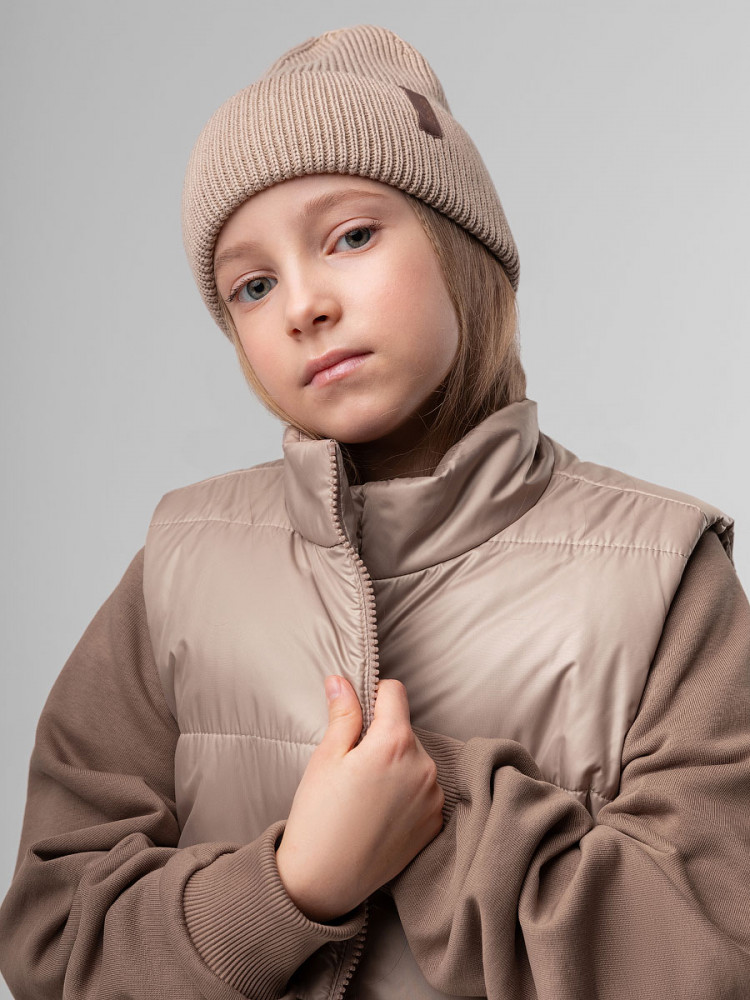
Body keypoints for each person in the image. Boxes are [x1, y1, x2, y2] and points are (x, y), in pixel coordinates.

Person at [1, 22, 749, 1000]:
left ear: (459, 242)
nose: (303, 305)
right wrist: (291, 886)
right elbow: (52, 937)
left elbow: (707, 952)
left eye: (351, 236)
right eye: (253, 285)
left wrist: (433, 799)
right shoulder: (180, 565)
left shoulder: (663, 571)